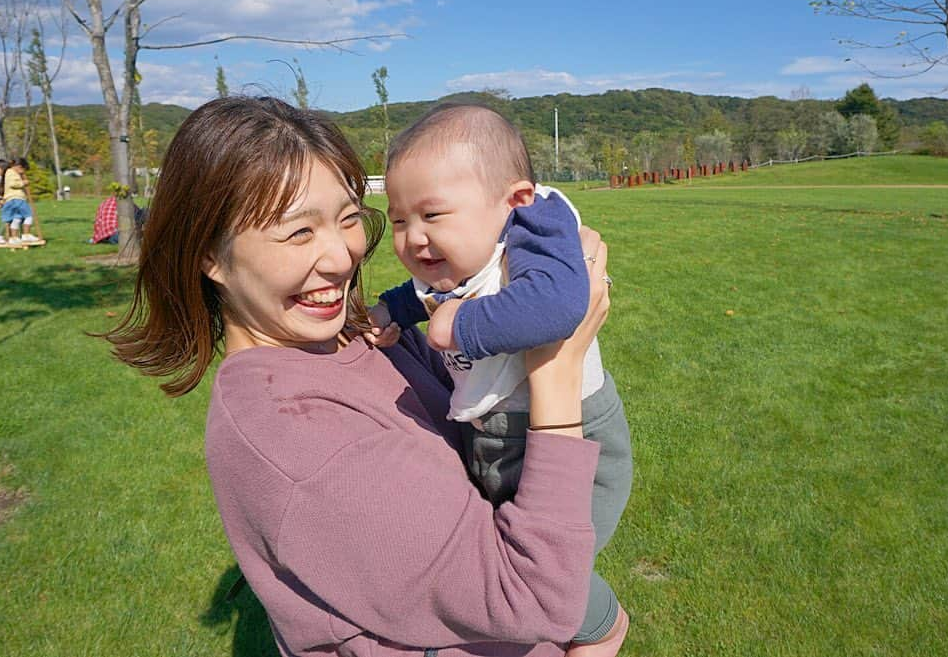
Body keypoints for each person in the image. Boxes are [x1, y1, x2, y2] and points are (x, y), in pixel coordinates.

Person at [104, 97, 617, 657]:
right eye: (298, 233)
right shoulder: (291, 434)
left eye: (348, 219)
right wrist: (557, 371)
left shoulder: (355, 337)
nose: (341, 258)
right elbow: (537, 601)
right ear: (212, 255)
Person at [368, 104, 632, 655]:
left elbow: (559, 306)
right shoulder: (462, 253)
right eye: (398, 221)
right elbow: (425, 295)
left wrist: (459, 326)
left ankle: (602, 626)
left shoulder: (539, 228)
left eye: (432, 215)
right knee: (501, 553)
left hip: (565, 434)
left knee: (549, 567)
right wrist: (391, 312)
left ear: (513, 199)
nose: (414, 238)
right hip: (491, 426)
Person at [1, 158, 37, 244]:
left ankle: (14, 238)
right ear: (19, 167)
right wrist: (23, 183)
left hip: (11, 199)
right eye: (23, 170)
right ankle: (26, 235)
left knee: (17, 218)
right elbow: (13, 184)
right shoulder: (12, 173)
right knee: (28, 215)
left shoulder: (9, 172)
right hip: (17, 199)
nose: (23, 172)